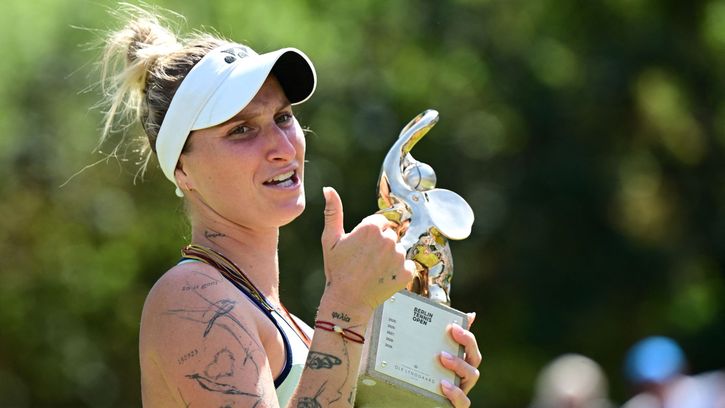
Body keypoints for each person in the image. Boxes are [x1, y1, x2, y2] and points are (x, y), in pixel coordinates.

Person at [98, 5, 481, 407]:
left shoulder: (296, 329)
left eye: (282, 117)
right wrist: (346, 305)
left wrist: (415, 392)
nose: (283, 147)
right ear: (183, 171)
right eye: (241, 129)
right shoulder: (188, 298)